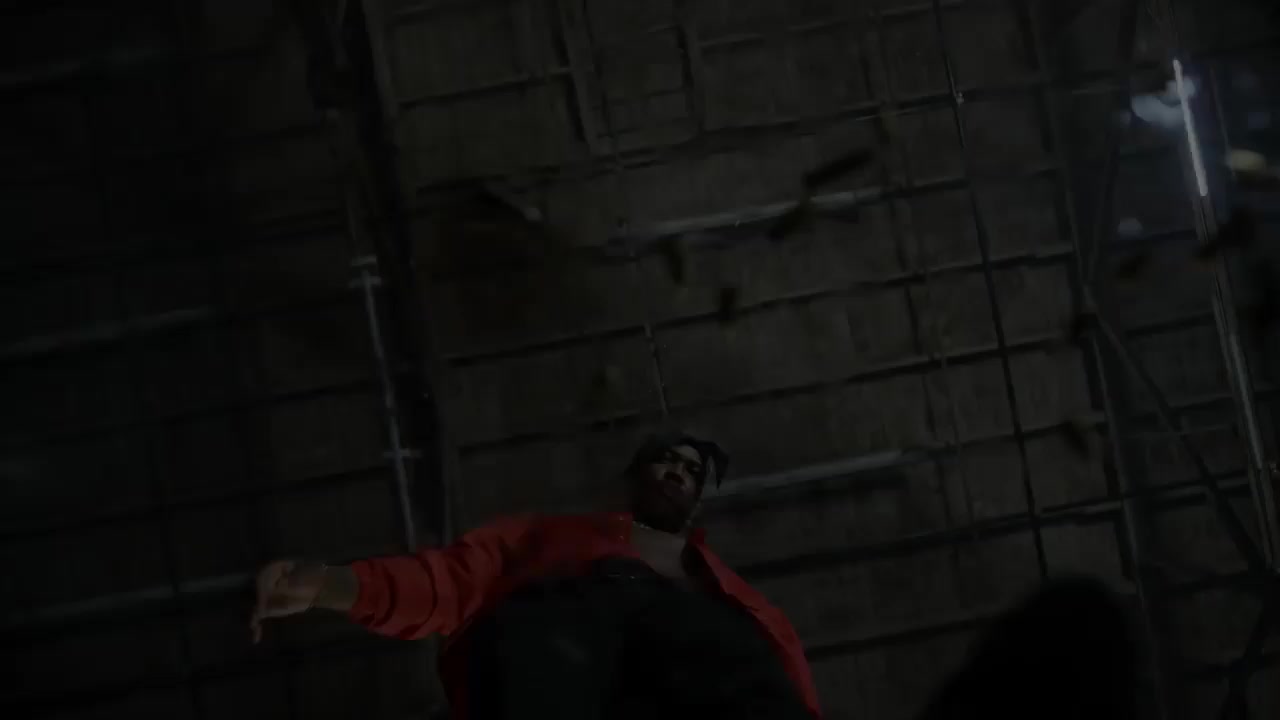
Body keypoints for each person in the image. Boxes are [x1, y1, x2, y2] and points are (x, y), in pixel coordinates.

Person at [250, 432, 821, 720]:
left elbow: (788, 695)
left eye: (691, 470)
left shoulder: (747, 613)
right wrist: (328, 586)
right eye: (666, 460)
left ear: (697, 497)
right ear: (633, 475)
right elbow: (448, 582)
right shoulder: (551, 544)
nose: (677, 472)